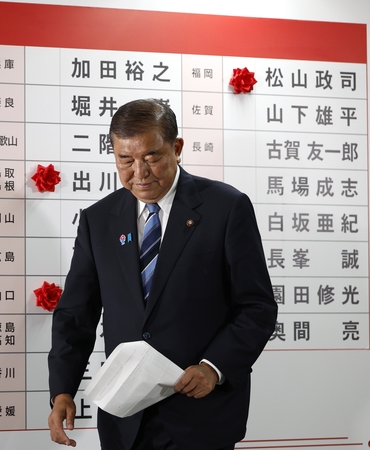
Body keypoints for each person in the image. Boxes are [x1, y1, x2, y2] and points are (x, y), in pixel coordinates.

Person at [47, 99, 278, 450]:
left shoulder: (226, 208)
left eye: (152, 157)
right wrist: (63, 389)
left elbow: (257, 307)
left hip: (201, 413)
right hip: (125, 420)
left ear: (177, 148)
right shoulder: (98, 220)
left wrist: (213, 368)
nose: (139, 172)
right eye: (125, 159)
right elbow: (76, 313)